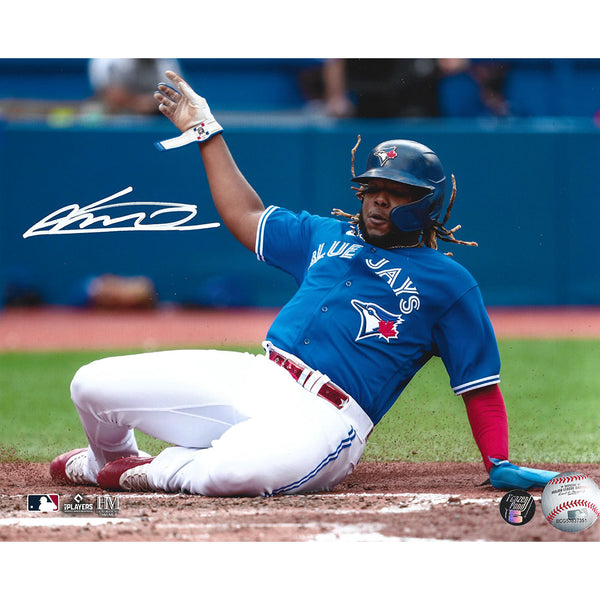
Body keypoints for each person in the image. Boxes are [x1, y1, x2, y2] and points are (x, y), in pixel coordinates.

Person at [50, 70, 558, 496]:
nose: (378, 200)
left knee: (236, 472)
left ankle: (149, 473)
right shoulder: (325, 234)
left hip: (327, 417)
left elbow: (480, 385)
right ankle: (108, 463)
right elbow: (247, 214)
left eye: (397, 192)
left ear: (427, 204)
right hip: (258, 378)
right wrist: (207, 130)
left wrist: (498, 462)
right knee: (91, 383)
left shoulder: (449, 283)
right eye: (371, 189)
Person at [87, 59, 182, 115]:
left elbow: (178, 97)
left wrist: (151, 103)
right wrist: (137, 102)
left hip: (156, 116)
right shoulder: (106, 61)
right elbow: (112, 95)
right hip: (112, 116)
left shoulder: (166, 62)